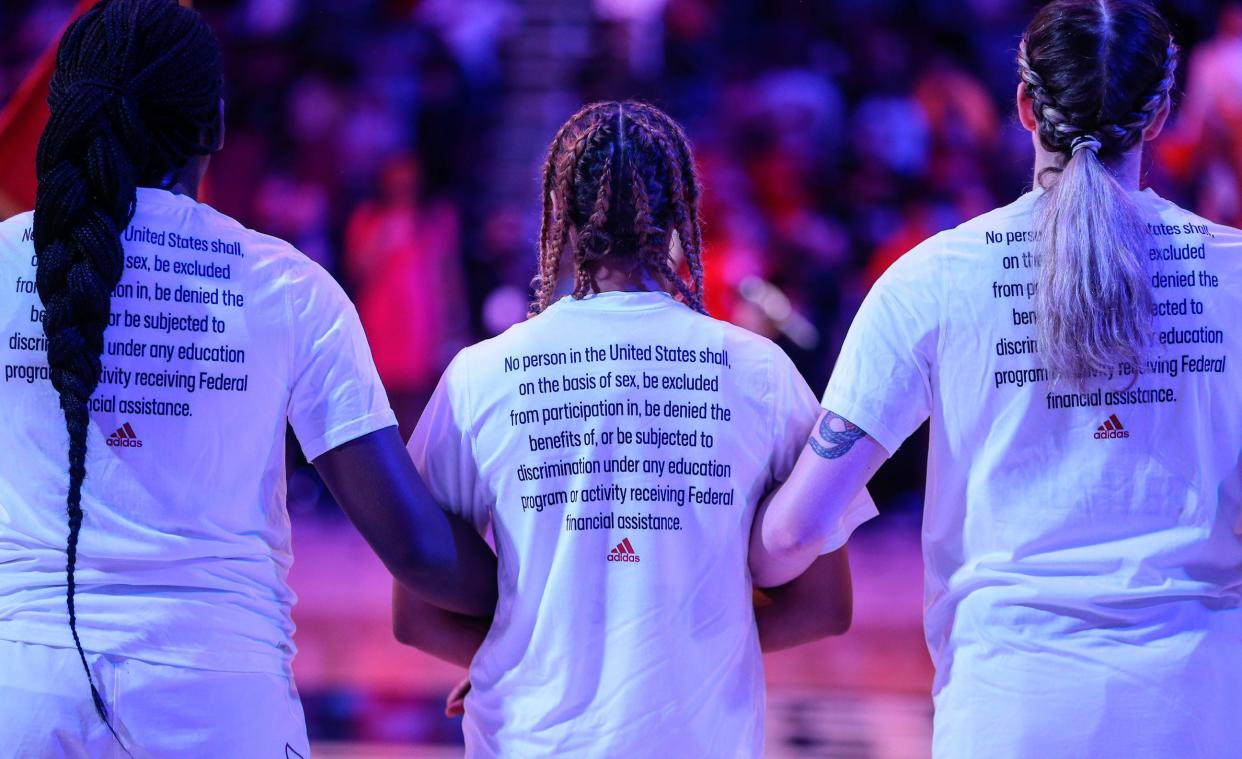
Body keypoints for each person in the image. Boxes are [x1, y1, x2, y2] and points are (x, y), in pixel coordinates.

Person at [0, 1, 496, 755]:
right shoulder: (289, 289)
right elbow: (419, 550)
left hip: (21, 696)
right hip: (217, 704)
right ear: (215, 127)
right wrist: (549, 605)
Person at [750, 1, 1242, 757]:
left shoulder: (933, 278)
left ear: (1023, 105)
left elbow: (795, 533)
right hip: (1199, 708)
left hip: (1009, 710)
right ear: (1159, 118)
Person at [392, 101, 874, 757]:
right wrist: (681, 652)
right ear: (682, 210)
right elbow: (824, 604)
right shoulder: (761, 371)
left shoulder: (481, 374)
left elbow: (415, 608)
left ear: (558, 212)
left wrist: (527, 655)